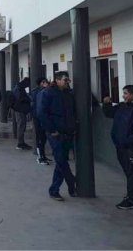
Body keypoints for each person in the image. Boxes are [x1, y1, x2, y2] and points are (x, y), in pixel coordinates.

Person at [38, 72, 76, 201]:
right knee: (61, 159)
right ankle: (71, 182)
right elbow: (42, 113)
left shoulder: (68, 94)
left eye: (68, 80)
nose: (67, 82)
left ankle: (55, 189)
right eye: (65, 80)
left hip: (67, 131)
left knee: (62, 160)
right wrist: (51, 129)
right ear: (57, 80)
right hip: (55, 133)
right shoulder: (47, 93)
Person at [31, 78, 51, 165]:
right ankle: (40, 157)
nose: (47, 84)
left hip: (40, 116)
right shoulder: (39, 92)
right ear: (42, 83)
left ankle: (43, 155)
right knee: (40, 137)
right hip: (38, 117)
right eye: (46, 82)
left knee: (43, 137)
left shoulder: (38, 91)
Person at [11, 77, 33, 151]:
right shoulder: (20, 88)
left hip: (18, 109)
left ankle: (21, 142)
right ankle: (20, 143)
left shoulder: (18, 87)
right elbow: (21, 99)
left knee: (21, 125)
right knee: (21, 126)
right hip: (19, 109)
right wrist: (28, 99)